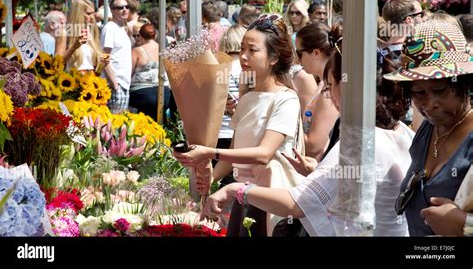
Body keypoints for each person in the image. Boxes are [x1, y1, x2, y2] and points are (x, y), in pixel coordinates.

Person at [201, 39, 414, 237]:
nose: (331, 99)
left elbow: (295, 204)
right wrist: (318, 171)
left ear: (348, 85)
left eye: (330, 87)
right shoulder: (402, 131)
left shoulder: (361, 142)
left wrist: (236, 189)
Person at [174, 14, 301, 236]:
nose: (243, 56)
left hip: (271, 200)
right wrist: (212, 175)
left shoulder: (286, 99)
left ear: (273, 58)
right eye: (242, 49)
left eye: (253, 50)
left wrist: (210, 152)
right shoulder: (249, 97)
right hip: (244, 197)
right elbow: (235, 150)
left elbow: (263, 154)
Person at [384, 20, 472, 236]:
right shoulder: (427, 129)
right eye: (418, 93)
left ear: (464, 83)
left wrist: (465, 226)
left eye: (440, 90)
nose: (429, 104)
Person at [294, 22, 340, 160]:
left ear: (316, 53)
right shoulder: (323, 84)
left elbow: (315, 146)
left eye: (299, 53)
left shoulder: (328, 91)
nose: (296, 59)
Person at [214, 25, 246, 189]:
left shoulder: (219, 69)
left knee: (218, 182)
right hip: (237, 133)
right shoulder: (246, 70)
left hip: (218, 132)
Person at [129, 23, 170, 120]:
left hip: (142, 92)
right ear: (155, 35)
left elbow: (129, 72)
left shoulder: (137, 51)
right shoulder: (164, 49)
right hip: (164, 91)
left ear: (141, 36)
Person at [55, 0, 107, 73]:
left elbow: (96, 71)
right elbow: (57, 63)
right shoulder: (64, 32)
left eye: (93, 13)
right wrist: (74, 46)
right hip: (73, 80)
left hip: (92, 80)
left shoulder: (93, 31)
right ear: (78, 14)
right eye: (88, 14)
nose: (92, 17)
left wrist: (103, 64)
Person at [101, 0, 132, 114]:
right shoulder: (110, 28)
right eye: (120, 8)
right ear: (113, 10)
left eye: (126, 7)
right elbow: (104, 57)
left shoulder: (121, 28)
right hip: (114, 83)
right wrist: (115, 84)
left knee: (120, 124)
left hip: (123, 83)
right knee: (113, 125)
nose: (124, 10)